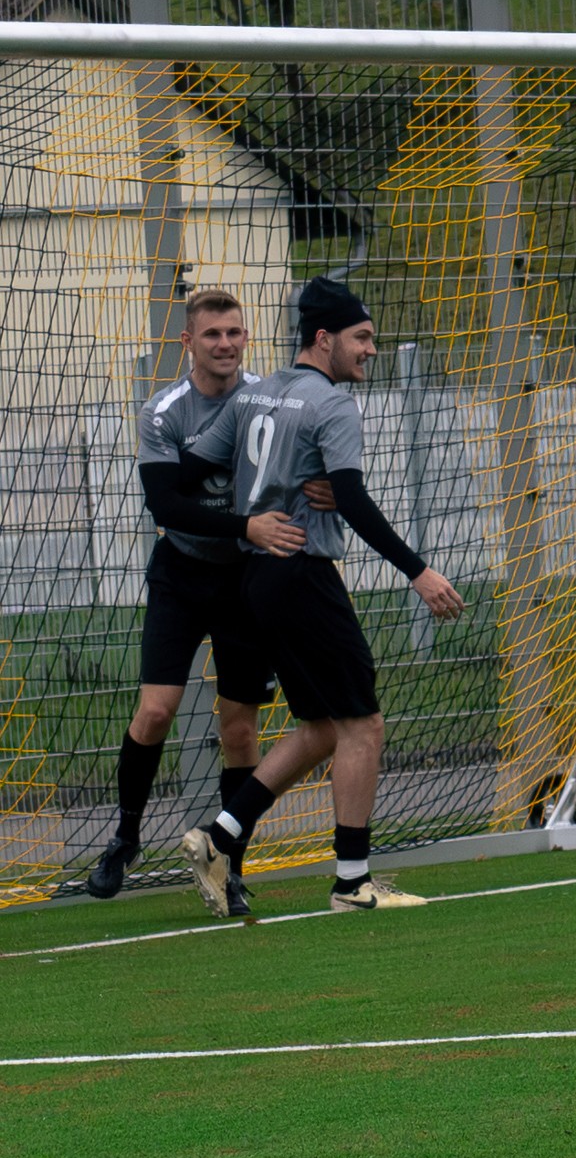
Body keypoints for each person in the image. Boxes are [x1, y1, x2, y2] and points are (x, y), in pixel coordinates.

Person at [178, 276, 465, 917]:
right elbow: (354, 500)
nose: (370, 350)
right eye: (361, 338)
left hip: (257, 579)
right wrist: (418, 572)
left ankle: (220, 836)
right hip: (303, 575)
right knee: (364, 724)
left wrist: (261, 498)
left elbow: (189, 473)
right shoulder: (331, 404)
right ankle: (352, 882)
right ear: (324, 337)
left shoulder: (256, 395)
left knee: (321, 728)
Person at [85, 287, 307, 917]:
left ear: (246, 338)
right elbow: (166, 505)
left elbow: (294, 474)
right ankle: (126, 839)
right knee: (157, 711)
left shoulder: (270, 400)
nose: (225, 344)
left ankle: (228, 865)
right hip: (181, 575)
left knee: (239, 729)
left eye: (234, 332)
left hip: (246, 582)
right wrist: (245, 524)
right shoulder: (162, 411)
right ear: (188, 341)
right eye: (212, 334)